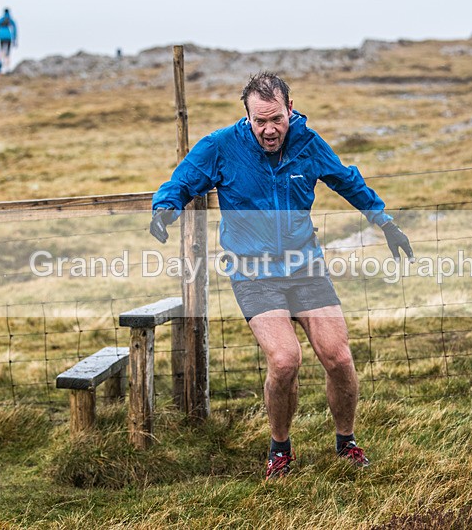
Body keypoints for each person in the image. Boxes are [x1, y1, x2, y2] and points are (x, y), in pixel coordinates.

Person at [149, 72, 414, 480]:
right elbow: (182, 180)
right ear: (248, 116)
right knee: (286, 359)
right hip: (254, 272)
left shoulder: (308, 143)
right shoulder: (220, 147)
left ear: (291, 109)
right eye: (260, 121)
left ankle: (346, 442)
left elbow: (347, 180)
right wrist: (164, 208)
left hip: (305, 267)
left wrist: (385, 222)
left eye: (276, 119)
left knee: (338, 357)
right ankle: (280, 450)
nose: (269, 130)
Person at [0, 8, 17, 73]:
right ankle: (7, 67)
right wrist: (14, 39)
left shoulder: (0, 20)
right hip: (9, 37)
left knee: (1, 51)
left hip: (1, 36)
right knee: (8, 53)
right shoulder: (11, 20)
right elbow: (15, 29)